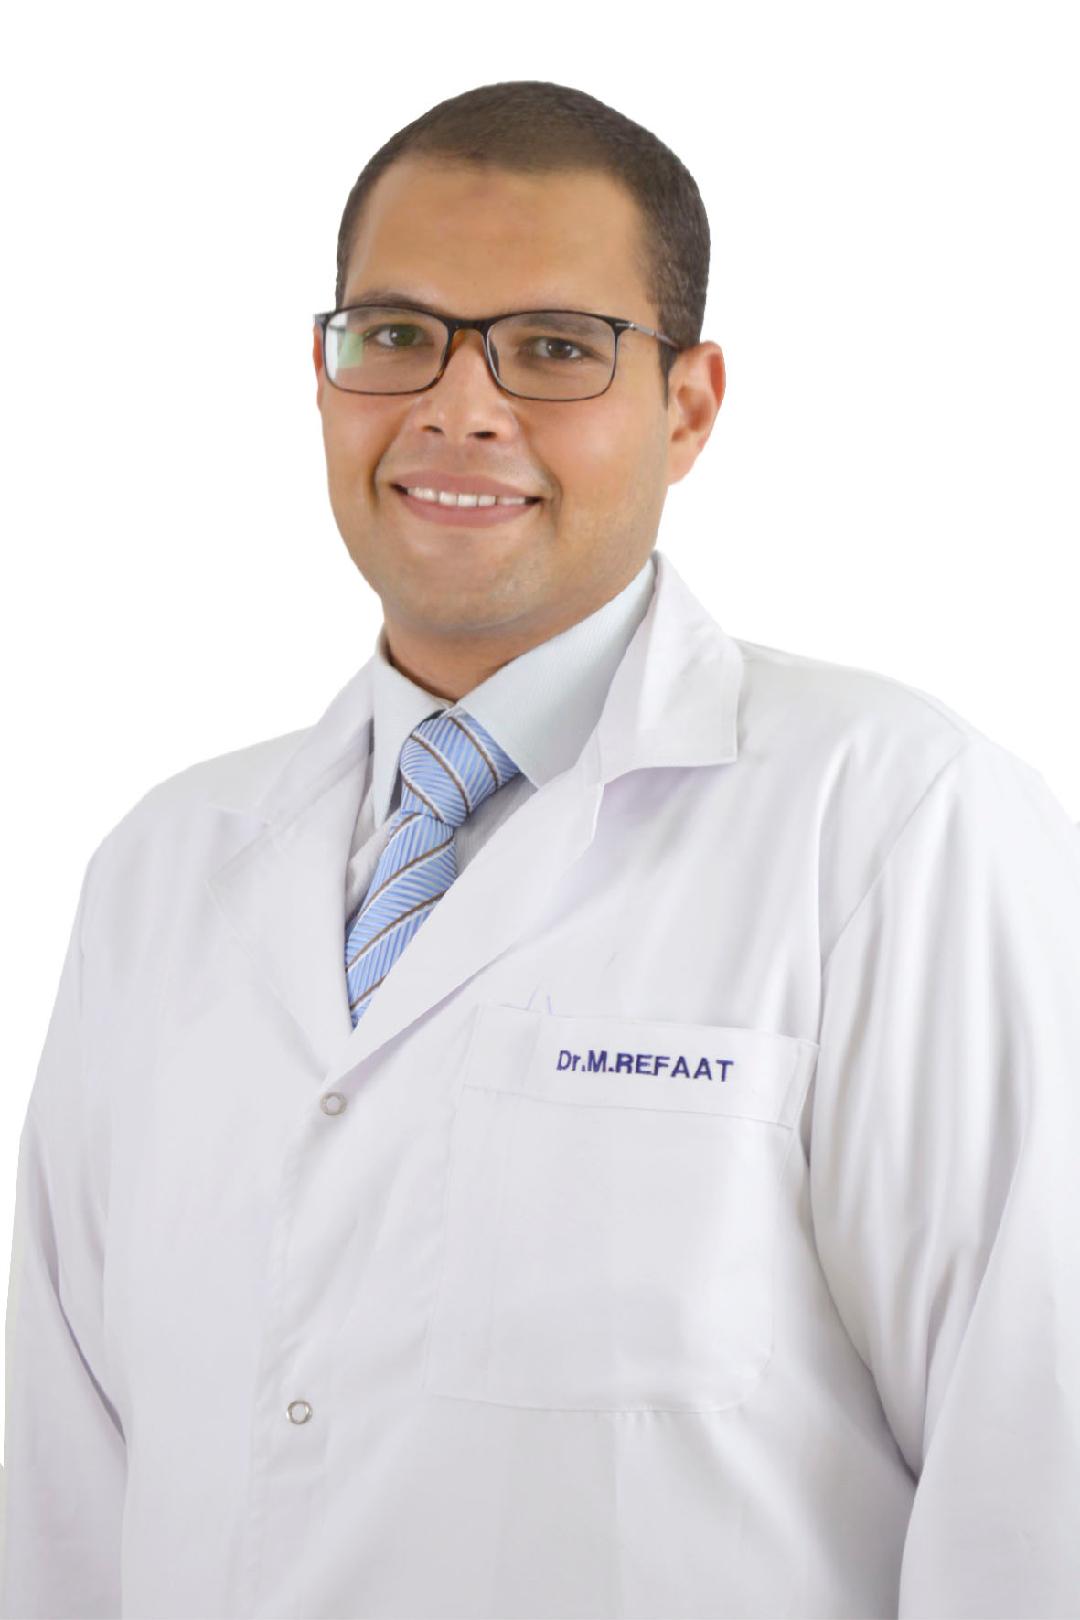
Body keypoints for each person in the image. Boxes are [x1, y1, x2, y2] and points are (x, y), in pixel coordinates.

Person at [1, 77, 1078, 1620]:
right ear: (323, 375)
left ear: (688, 406)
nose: (459, 406)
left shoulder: (898, 824)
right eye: (396, 334)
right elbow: (62, 1498)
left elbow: (1036, 1478)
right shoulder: (161, 871)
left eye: (557, 348)